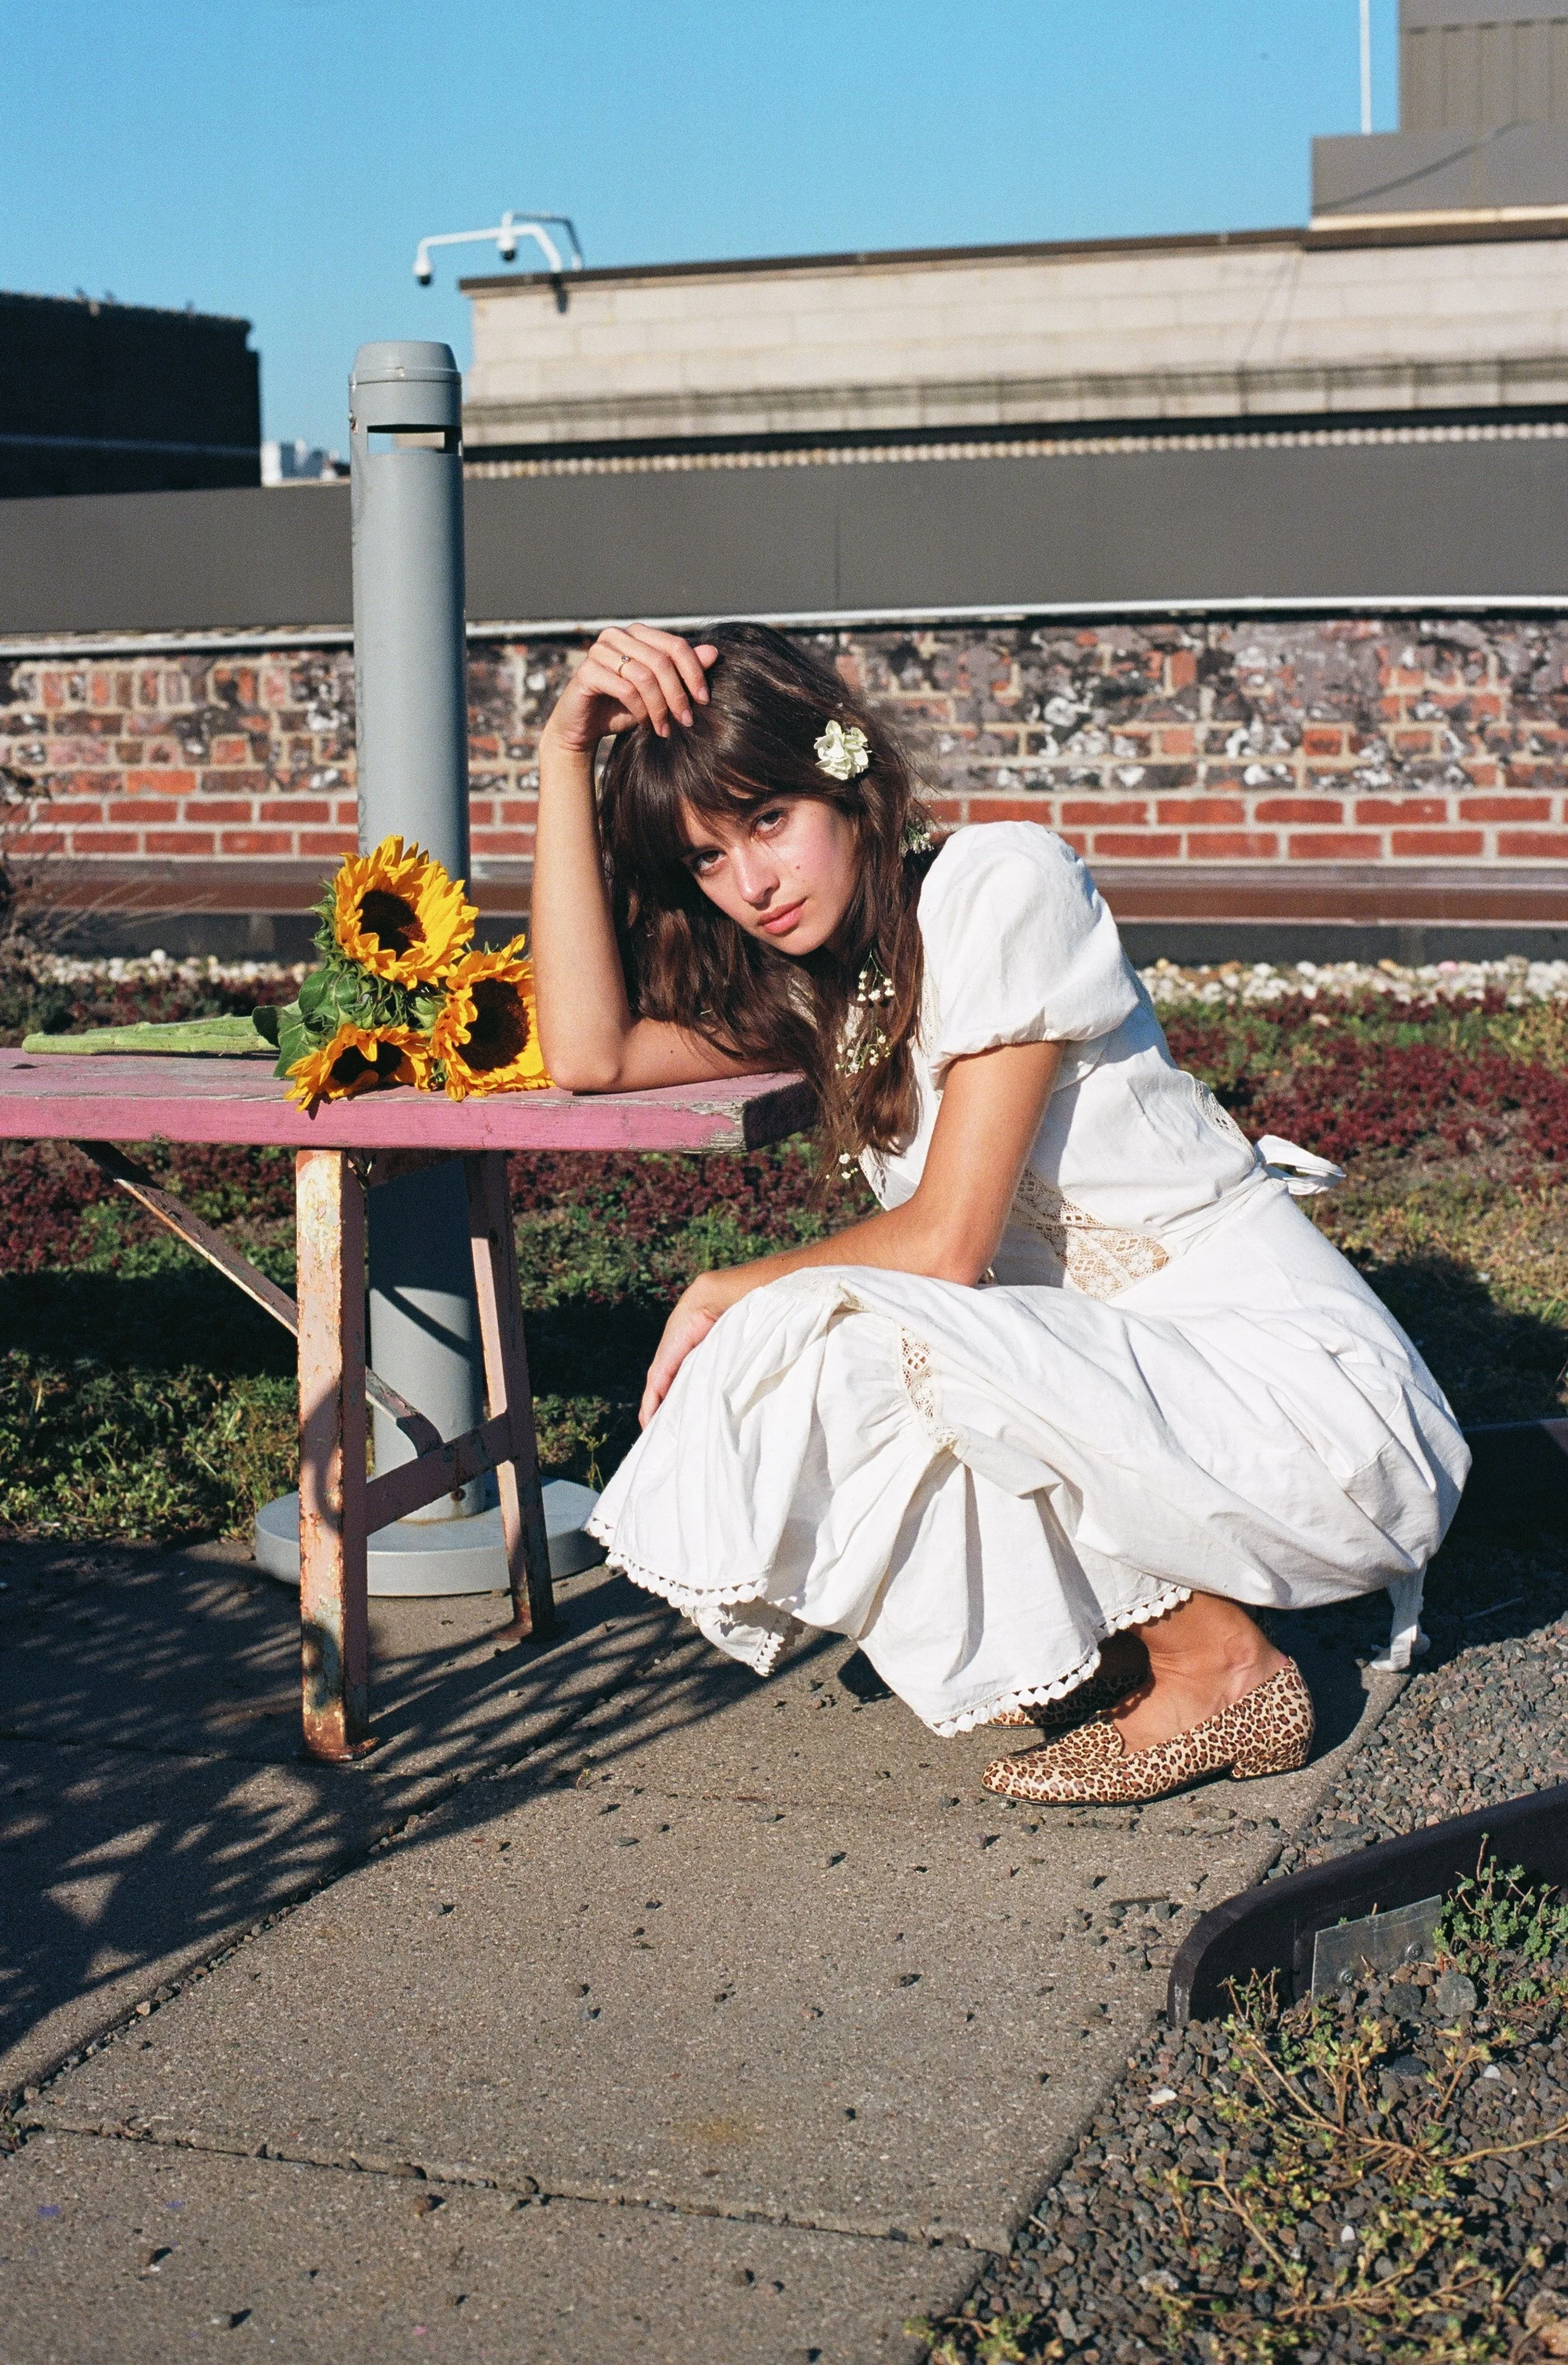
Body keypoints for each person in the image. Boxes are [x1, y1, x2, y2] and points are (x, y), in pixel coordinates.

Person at [529, 619, 1469, 1805]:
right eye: (709, 859)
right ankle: (1136, 1638)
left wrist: (725, 1286)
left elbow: (945, 1242)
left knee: (830, 1327)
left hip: (1299, 1407)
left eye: (768, 822)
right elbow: (591, 1051)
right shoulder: (837, 992)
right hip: (1140, 1399)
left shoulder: (1000, 883)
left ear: (846, 773)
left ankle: (1219, 1665)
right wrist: (566, 751)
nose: (752, 885)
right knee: (825, 1338)